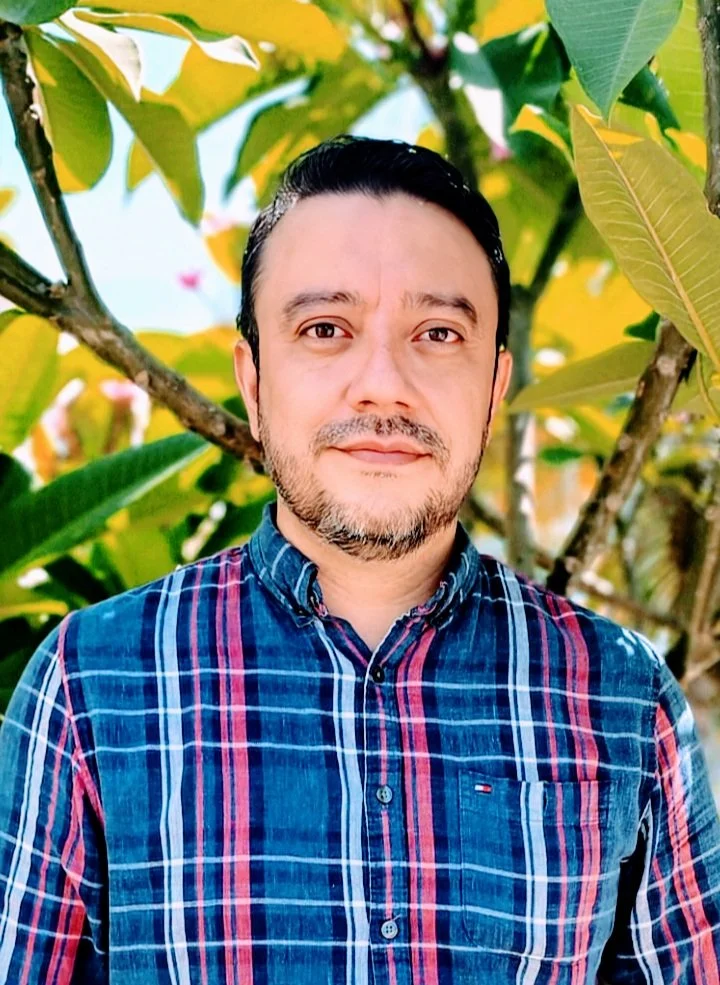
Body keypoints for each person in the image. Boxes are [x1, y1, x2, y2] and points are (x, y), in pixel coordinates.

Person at [0, 136, 718, 985]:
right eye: (325, 328)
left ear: (494, 387)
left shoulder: (621, 697)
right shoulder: (90, 683)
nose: (383, 382)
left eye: (438, 331)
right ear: (255, 379)